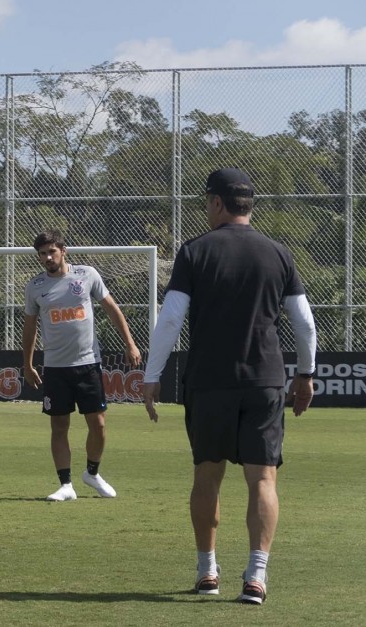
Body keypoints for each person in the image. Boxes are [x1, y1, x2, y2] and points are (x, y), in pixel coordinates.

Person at [142, 167, 316, 605]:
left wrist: (151, 375)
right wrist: (306, 375)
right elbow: (305, 323)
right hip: (266, 380)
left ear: (217, 203)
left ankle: (207, 570)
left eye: (206, 203)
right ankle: (256, 576)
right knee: (263, 480)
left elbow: (170, 319)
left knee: (208, 475)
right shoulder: (279, 252)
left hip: (209, 381)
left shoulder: (194, 252)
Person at [22, 229, 141, 502]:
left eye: (51, 251)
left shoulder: (87, 275)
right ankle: (66, 484)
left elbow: (112, 308)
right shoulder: (35, 286)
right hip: (55, 367)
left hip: (88, 363)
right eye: (42, 254)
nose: (47, 257)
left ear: (64, 250)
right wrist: (27, 364)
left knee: (98, 424)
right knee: (59, 426)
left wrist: (130, 343)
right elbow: (30, 328)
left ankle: (92, 473)